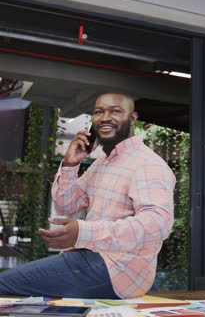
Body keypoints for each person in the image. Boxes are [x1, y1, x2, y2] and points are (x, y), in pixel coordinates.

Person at [0, 93, 175, 298]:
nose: (104, 117)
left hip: (117, 269)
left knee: (4, 284)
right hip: (91, 257)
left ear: (133, 118)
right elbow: (66, 205)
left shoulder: (148, 164)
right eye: (98, 112)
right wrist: (69, 165)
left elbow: (157, 224)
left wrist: (84, 232)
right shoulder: (102, 163)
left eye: (115, 111)